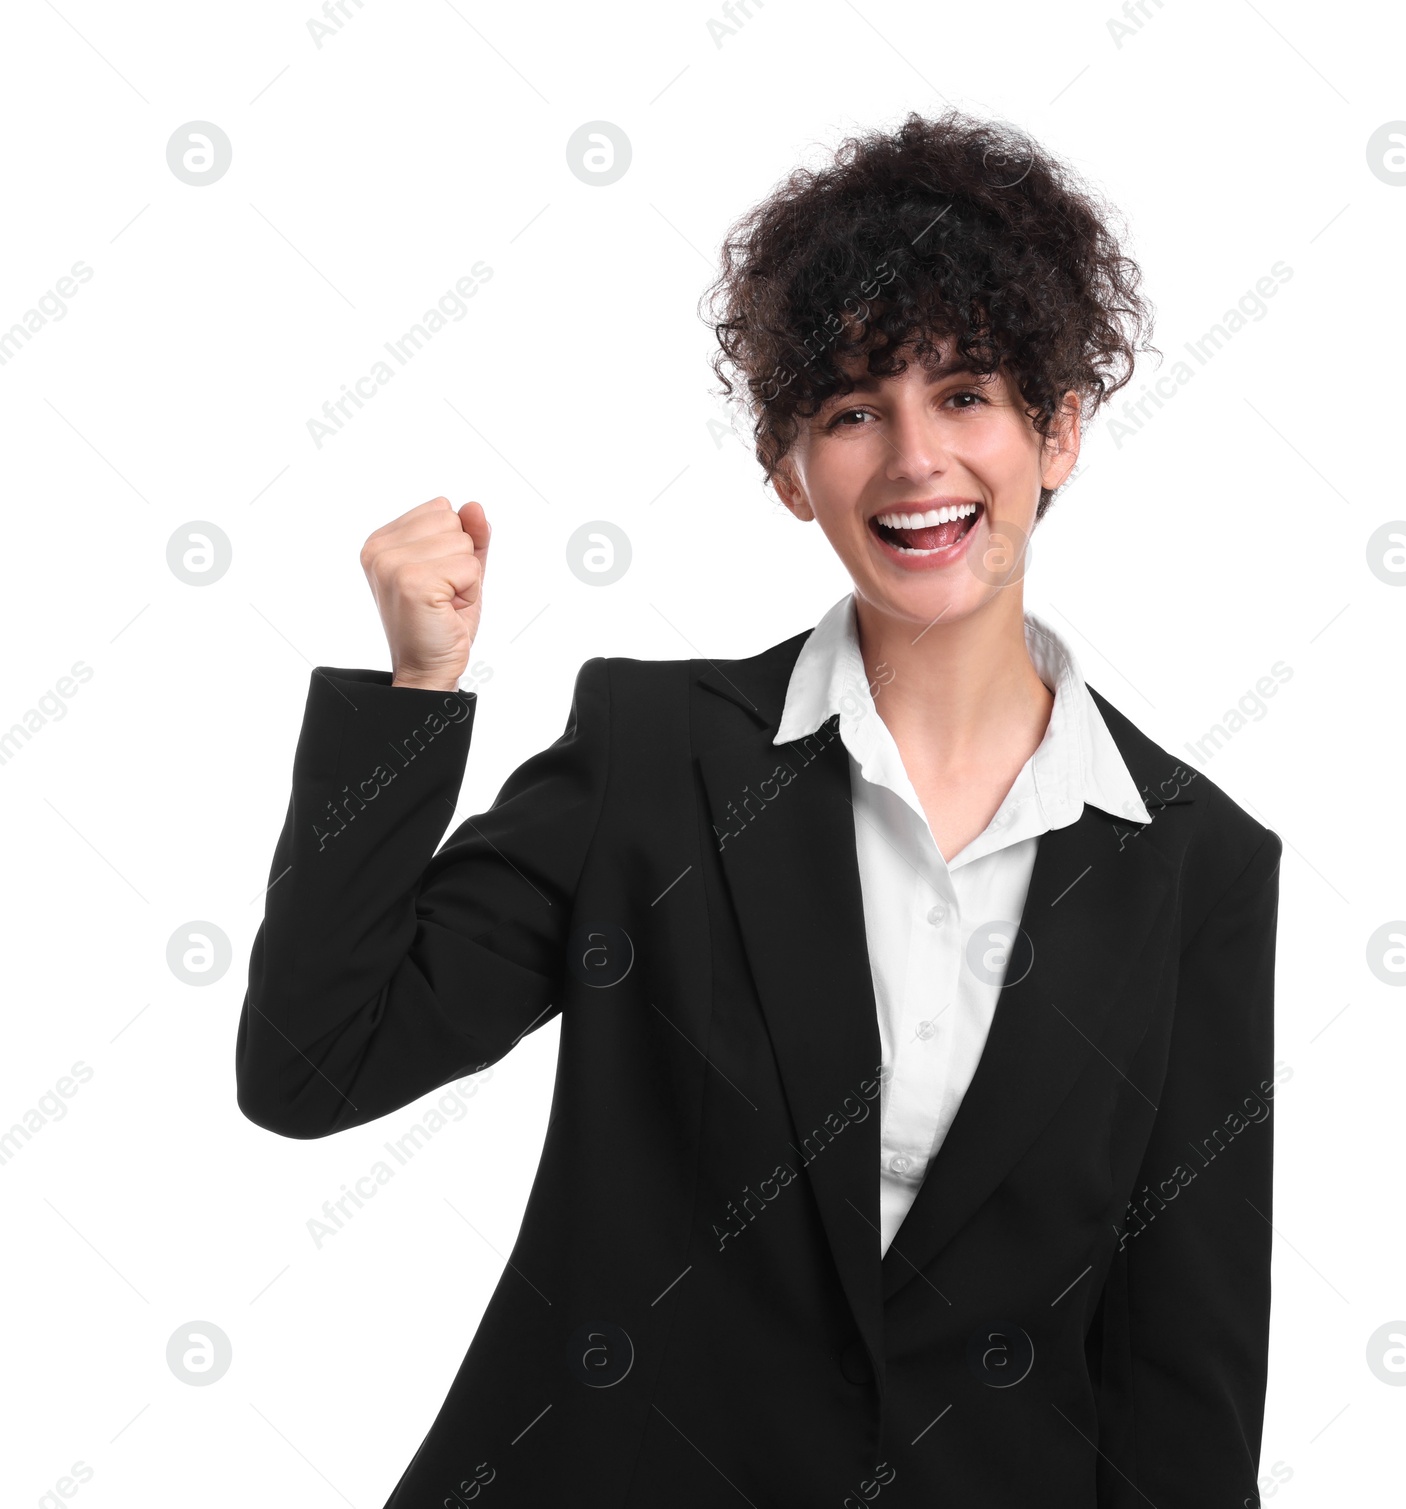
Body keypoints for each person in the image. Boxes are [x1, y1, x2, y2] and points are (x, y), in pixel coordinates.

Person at [236, 109, 1283, 1508]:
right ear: (790, 470)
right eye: (854, 409)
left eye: (967, 393)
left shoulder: (1198, 864)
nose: (917, 460)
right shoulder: (654, 757)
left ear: (1061, 430)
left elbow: (1180, 1391)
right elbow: (314, 1063)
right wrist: (418, 687)